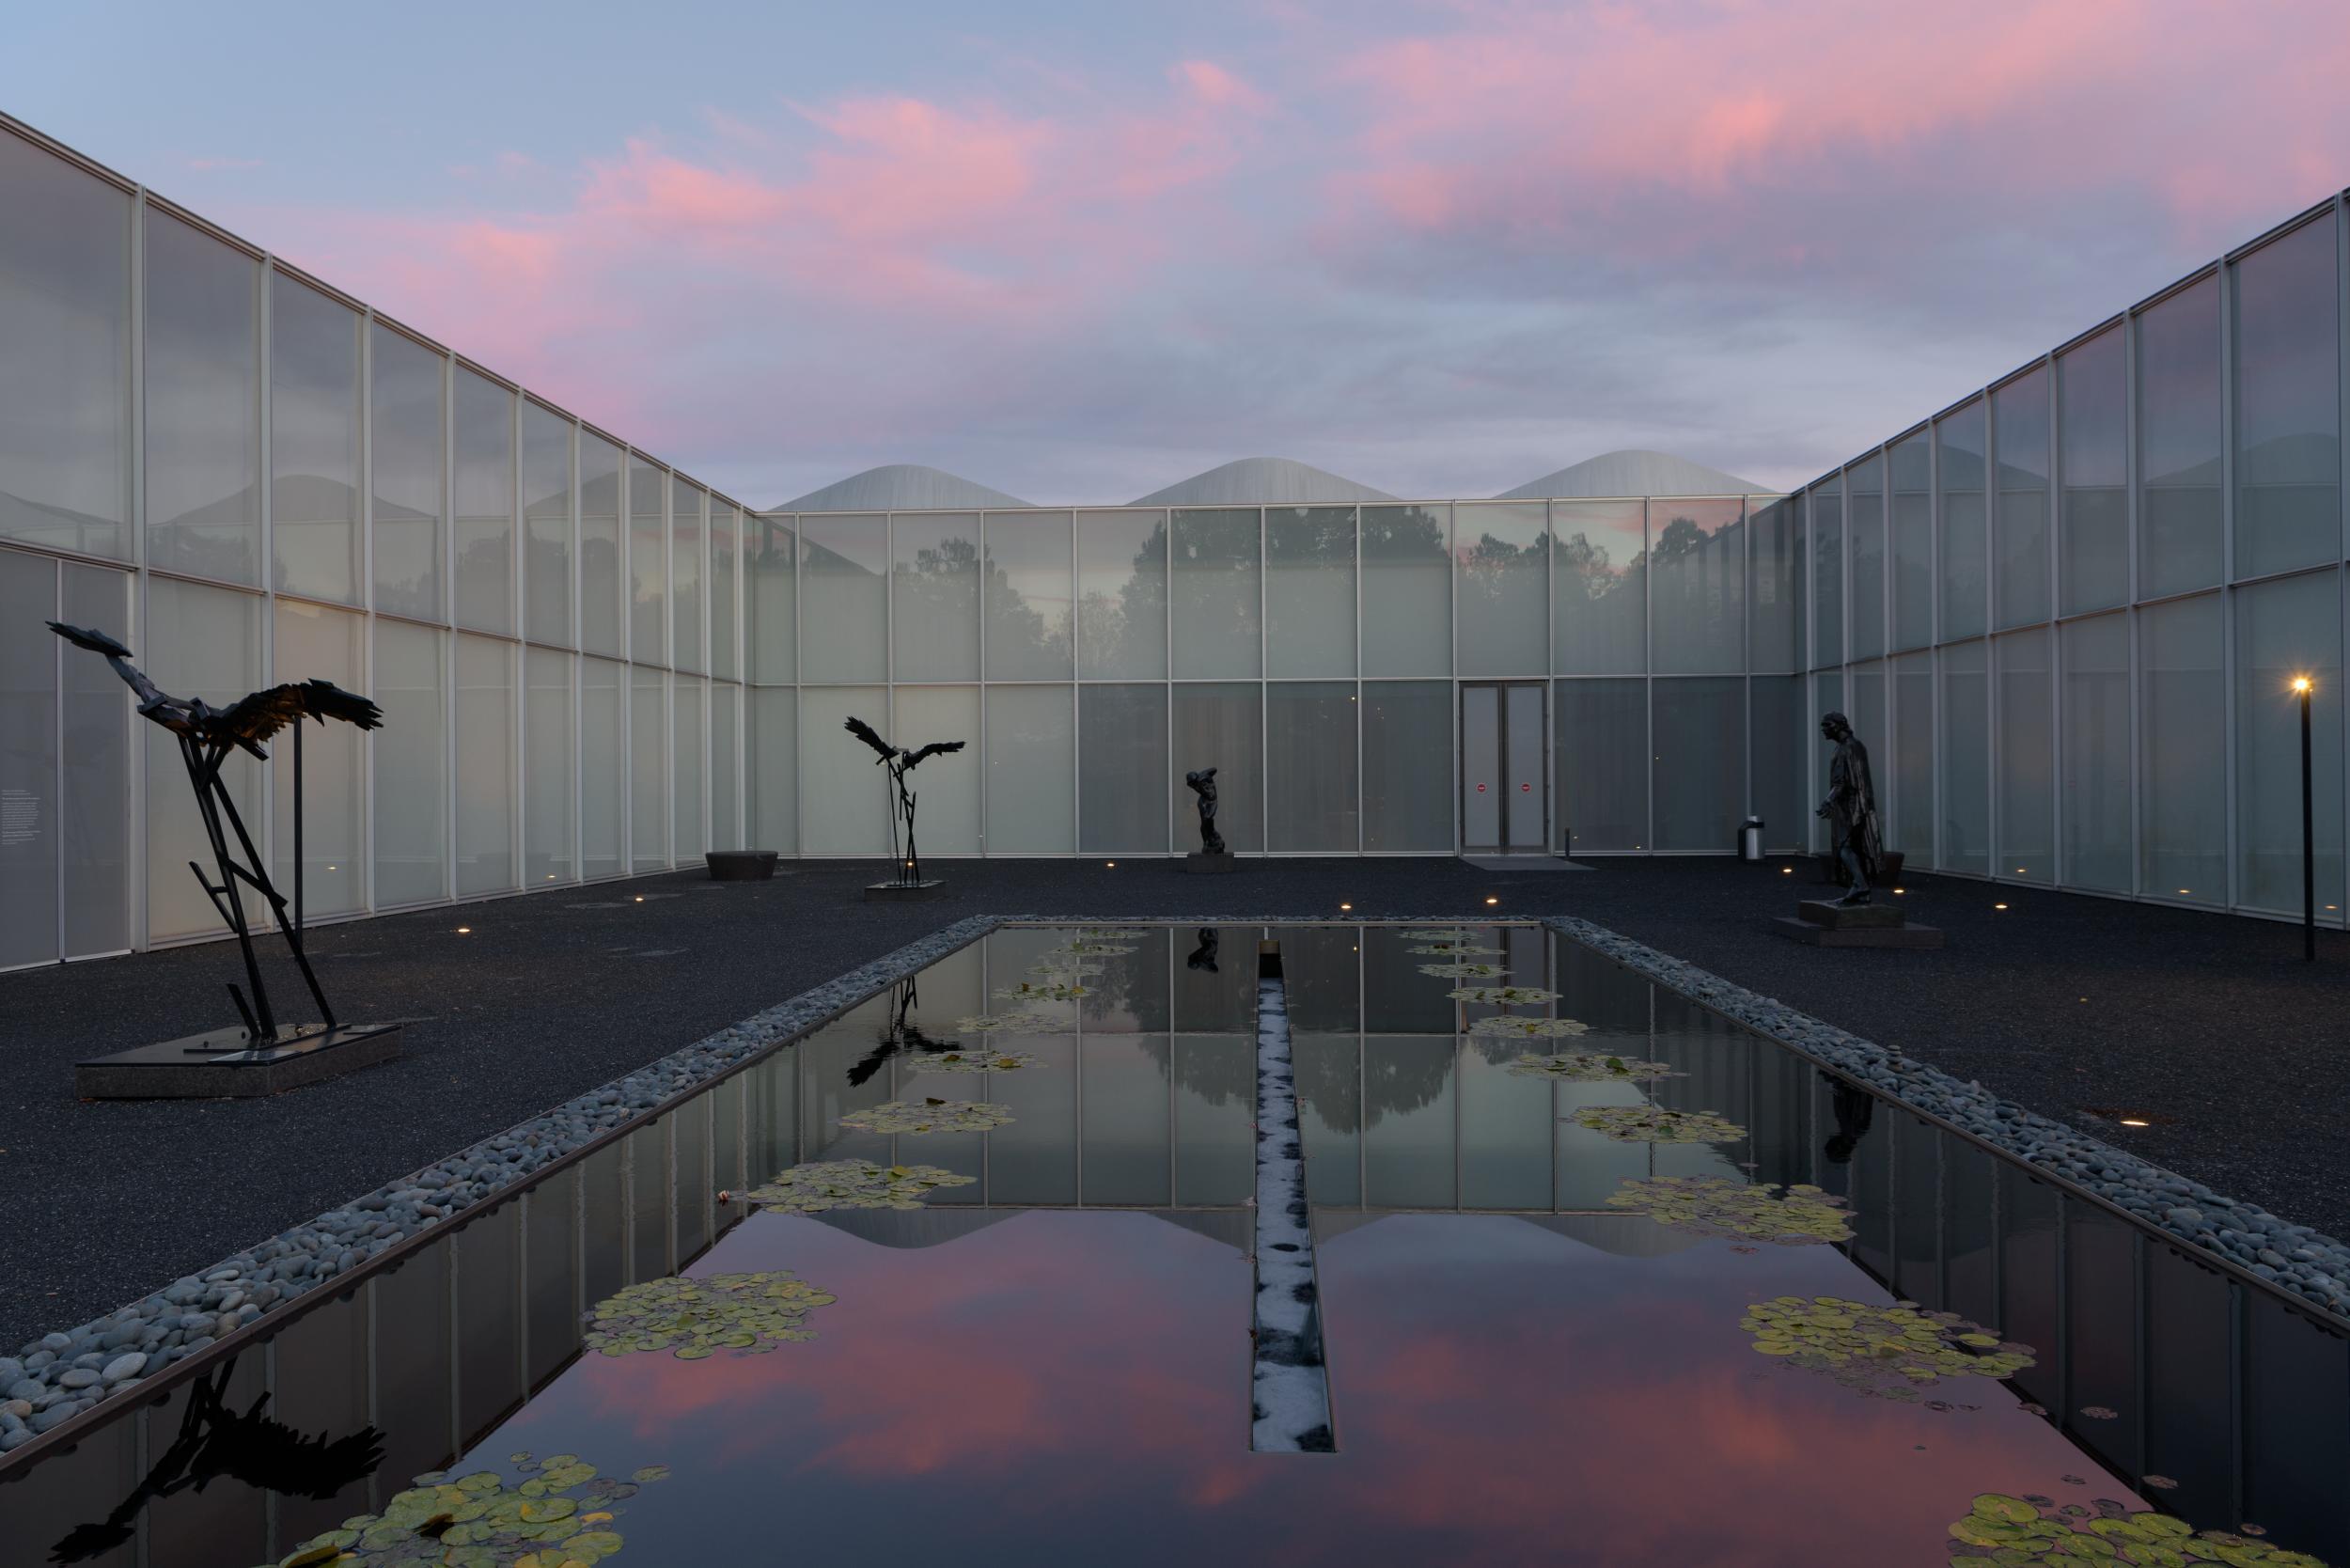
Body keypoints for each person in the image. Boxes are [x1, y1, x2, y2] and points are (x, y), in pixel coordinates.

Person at [1814, 711, 1885, 905]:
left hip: (1851, 806)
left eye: (1826, 725)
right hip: (1854, 804)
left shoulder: (1848, 748)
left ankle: (1861, 885)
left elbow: (1842, 782)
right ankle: (1862, 891)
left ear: (1838, 725)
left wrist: (1828, 801)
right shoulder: (1850, 747)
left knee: (1845, 847)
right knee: (1854, 846)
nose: (1823, 729)